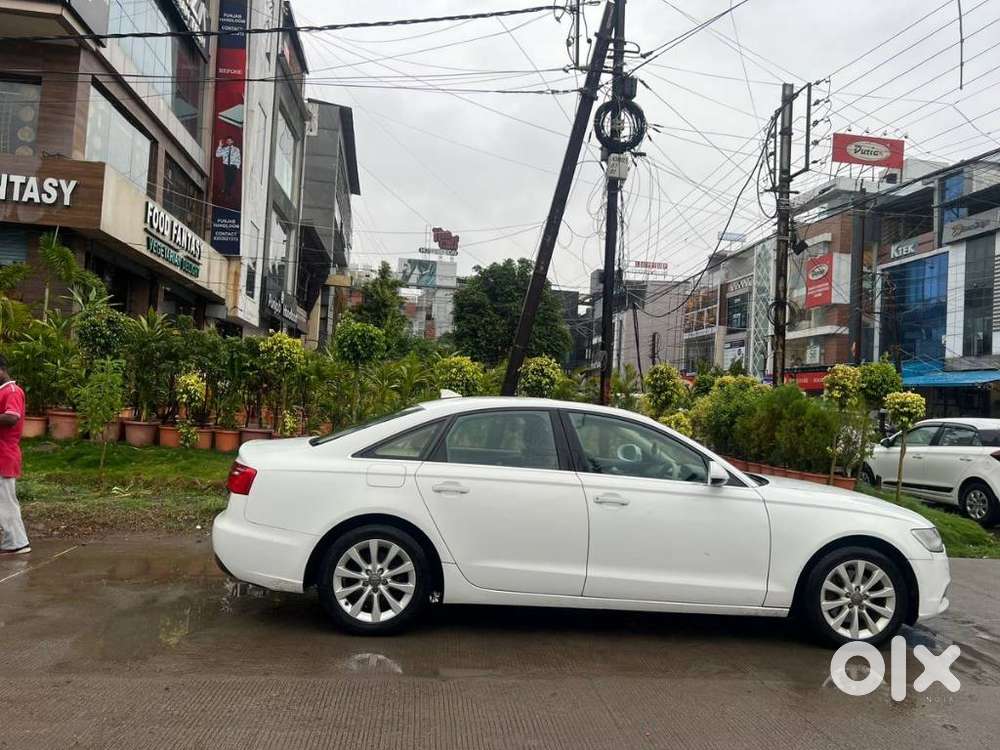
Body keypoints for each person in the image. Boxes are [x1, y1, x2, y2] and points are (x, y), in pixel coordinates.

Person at [0, 356, 29, 555]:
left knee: (5, 501)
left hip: (4, 454)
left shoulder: (12, 391)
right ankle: (12, 540)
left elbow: (11, 418)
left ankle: (17, 542)